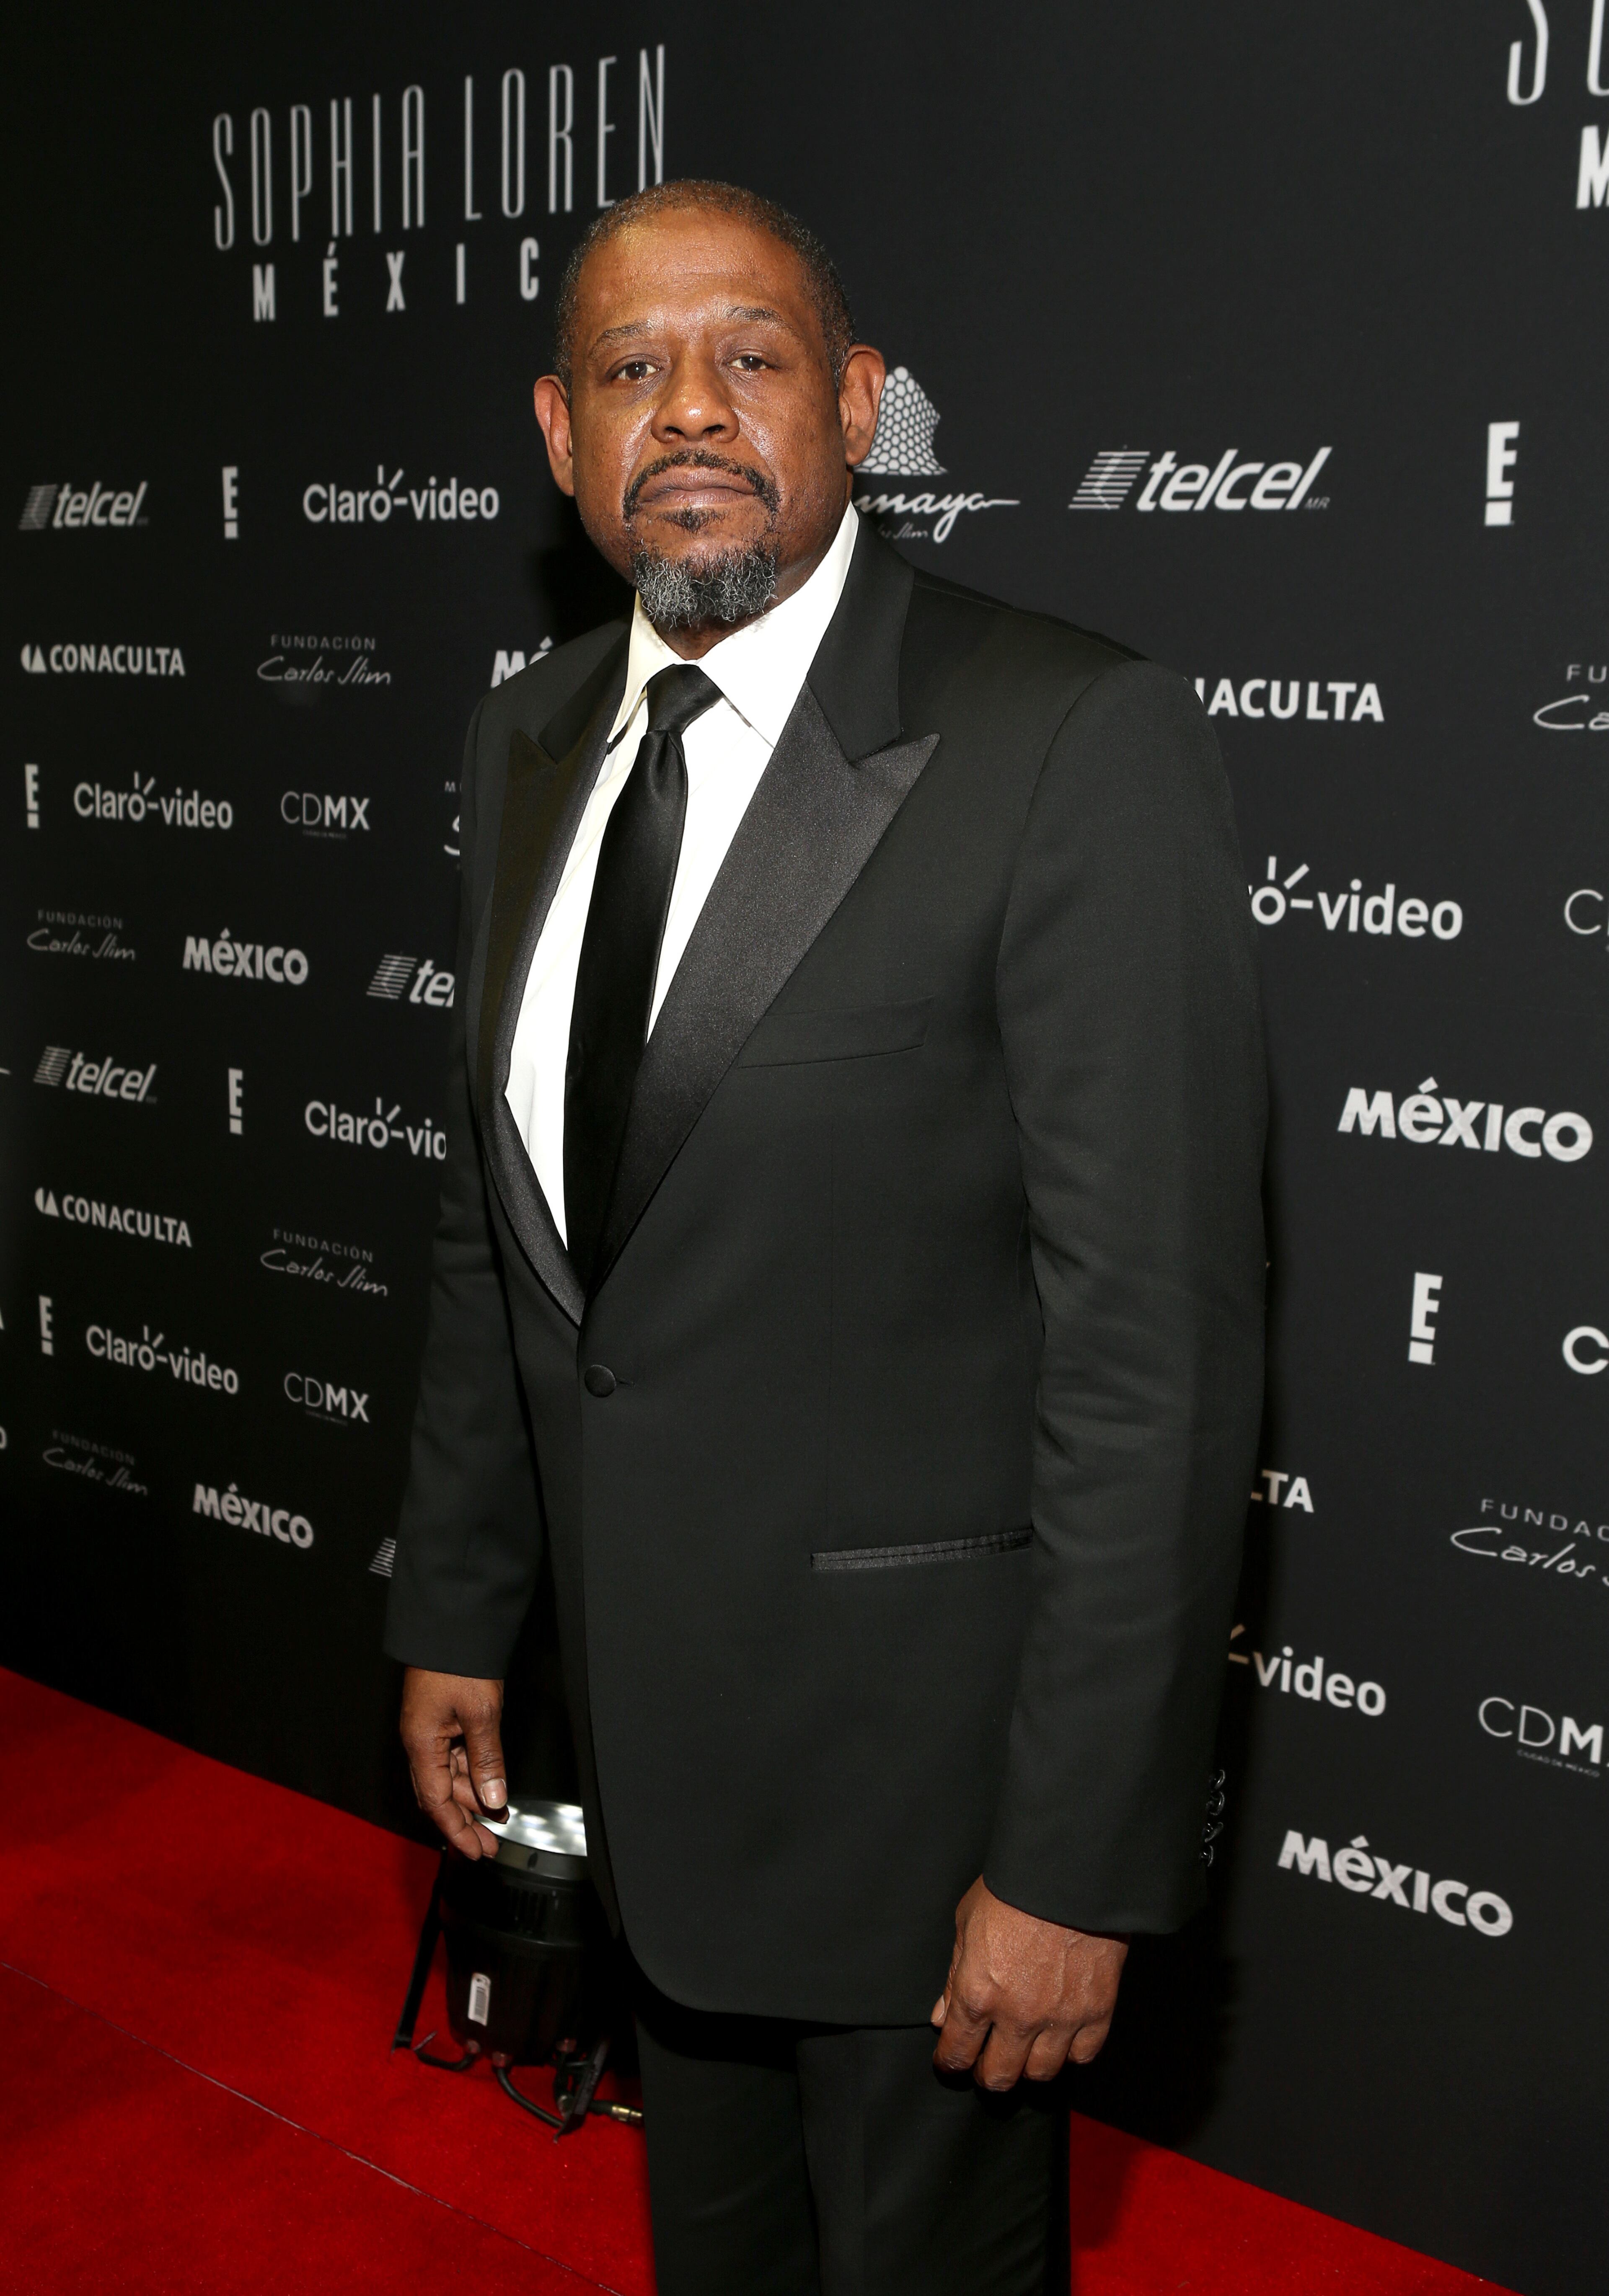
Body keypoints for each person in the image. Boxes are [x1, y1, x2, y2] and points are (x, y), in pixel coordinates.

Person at [385, 178, 1265, 2295]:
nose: (688, 409)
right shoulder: (525, 742)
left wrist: (1071, 1861)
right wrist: (460, 1598)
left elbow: (1154, 1358)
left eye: (752, 357)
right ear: (558, 435)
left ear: (861, 407)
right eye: (629, 368)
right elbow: (500, 1239)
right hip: (655, 1771)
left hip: (928, 1816)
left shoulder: (1069, 740)